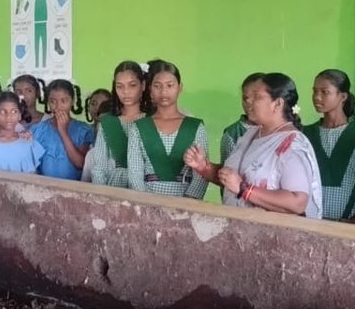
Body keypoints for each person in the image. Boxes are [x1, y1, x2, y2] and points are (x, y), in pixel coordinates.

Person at [185, 73, 321, 216]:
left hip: (272, 235)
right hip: (240, 229)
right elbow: (234, 180)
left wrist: (245, 190)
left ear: (277, 104)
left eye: (257, 97)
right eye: (248, 97)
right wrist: (204, 167)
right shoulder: (251, 134)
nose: (250, 102)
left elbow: (297, 203)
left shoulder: (292, 144)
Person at [126, 60, 209, 199]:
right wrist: (145, 205)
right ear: (150, 90)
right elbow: (135, 175)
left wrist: (187, 204)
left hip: (185, 203)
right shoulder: (139, 128)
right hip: (147, 202)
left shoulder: (195, 127)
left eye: (170, 85)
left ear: (180, 88)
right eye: (157, 86)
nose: (164, 91)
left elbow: (201, 175)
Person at [306, 70, 355, 223]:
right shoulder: (306, 134)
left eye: (325, 92)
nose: (317, 97)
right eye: (315, 91)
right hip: (312, 221)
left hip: (351, 221)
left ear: (343, 97)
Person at [91, 61, 150, 188]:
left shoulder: (153, 120)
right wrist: (101, 196)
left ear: (143, 85)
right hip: (116, 187)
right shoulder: (108, 122)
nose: (125, 92)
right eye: (120, 86)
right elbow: (99, 168)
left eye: (132, 85)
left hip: (148, 186)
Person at [30, 79, 94, 180]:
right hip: (45, 188)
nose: (58, 106)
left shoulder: (83, 130)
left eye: (64, 101)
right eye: (52, 101)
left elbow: (81, 164)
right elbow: (32, 166)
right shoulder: (39, 129)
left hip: (73, 189)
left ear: (72, 101)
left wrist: (63, 131)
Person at [220, 73, 264, 163]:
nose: (249, 102)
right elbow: (227, 170)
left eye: (257, 97)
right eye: (245, 98)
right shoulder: (233, 133)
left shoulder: (285, 131)